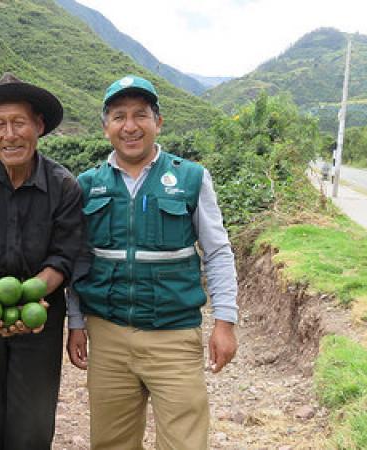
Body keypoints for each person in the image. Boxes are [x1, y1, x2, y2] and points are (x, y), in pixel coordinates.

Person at [65, 75, 239, 449]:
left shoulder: (191, 177)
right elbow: (79, 260)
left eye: (140, 115)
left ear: (158, 122)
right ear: (105, 126)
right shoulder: (86, 184)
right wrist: (76, 323)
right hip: (108, 335)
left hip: (174, 336)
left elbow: (218, 251)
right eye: (119, 116)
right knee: (111, 443)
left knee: (185, 443)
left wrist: (225, 322)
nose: (130, 126)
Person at [0, 73, 84, 449]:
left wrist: (32, 298)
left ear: (38, 126)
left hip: (41, 310)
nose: (10, 135)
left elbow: (63, 256)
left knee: (33, 425)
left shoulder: (63, 185)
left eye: (19, 123)